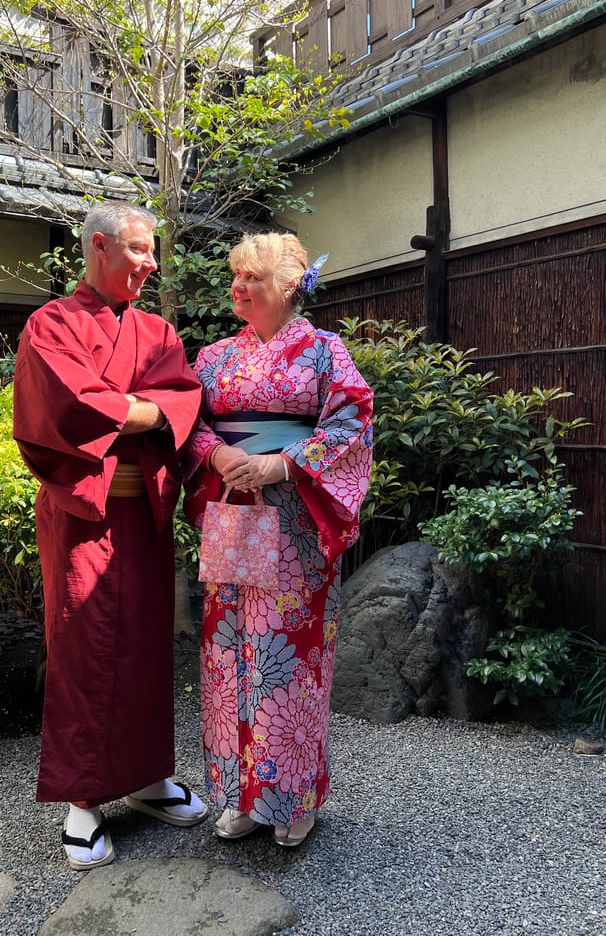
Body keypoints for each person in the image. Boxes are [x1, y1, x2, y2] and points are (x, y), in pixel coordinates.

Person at [12, 200, 207, 871]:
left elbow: (183, 400)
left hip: (143, 512)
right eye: (139, 250)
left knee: (148, 648)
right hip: (82, 513)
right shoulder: (51, 323)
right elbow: (68, 405)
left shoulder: (157, 330)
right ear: (99, 246)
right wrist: (144, 410)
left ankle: (149, 779)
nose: (151, 264)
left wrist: (132, 408)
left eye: (153, 251)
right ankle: (84, 800)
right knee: (83, 647)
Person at [184, 231, 373, 849]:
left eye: (253, 278)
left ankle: (292, 797)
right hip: (233, 510)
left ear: (291, 288)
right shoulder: (213, 358)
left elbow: (351, 421)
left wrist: (283, 463)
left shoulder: (323, 351)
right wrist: (217, 456)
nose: (238, 287)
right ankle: (241, 795)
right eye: (236, 276)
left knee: (289, 657)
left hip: (294, 520)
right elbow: (189, 424)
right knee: (227, 655)